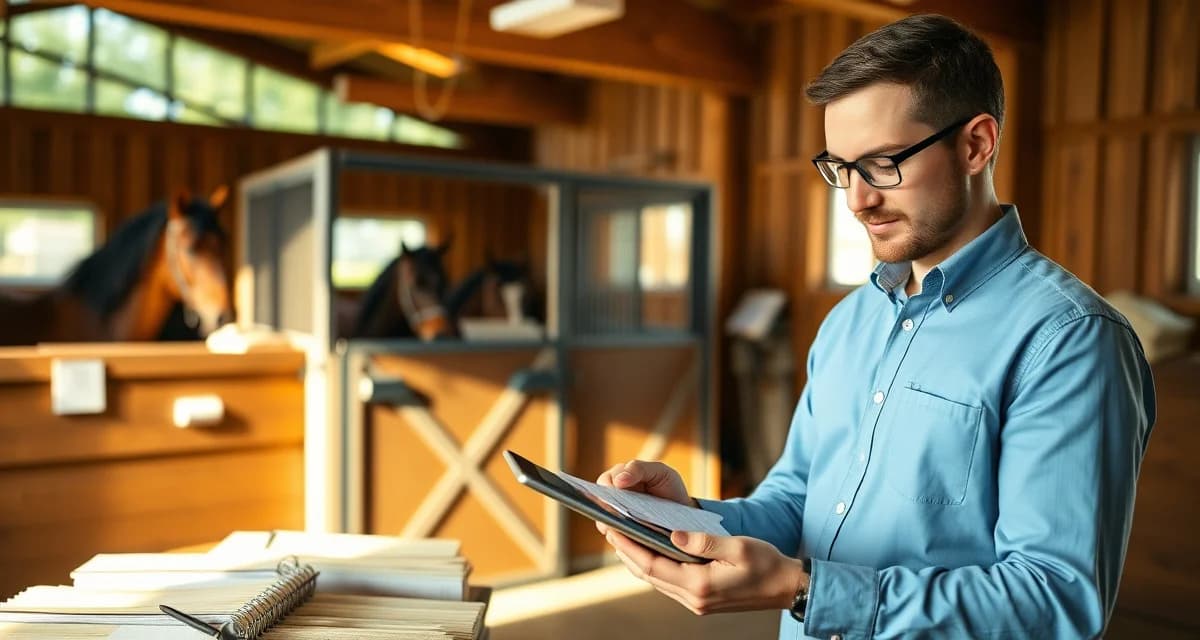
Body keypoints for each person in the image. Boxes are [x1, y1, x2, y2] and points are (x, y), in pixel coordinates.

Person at [596, 13, 1155, 640]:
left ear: (976, 145)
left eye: (883, 163)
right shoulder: (849, 321)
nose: (857, 199)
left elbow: (1055, 600)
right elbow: (798, 501)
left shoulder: (1070, 339)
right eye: (841, 168)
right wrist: (691, 520)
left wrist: (805, 590)